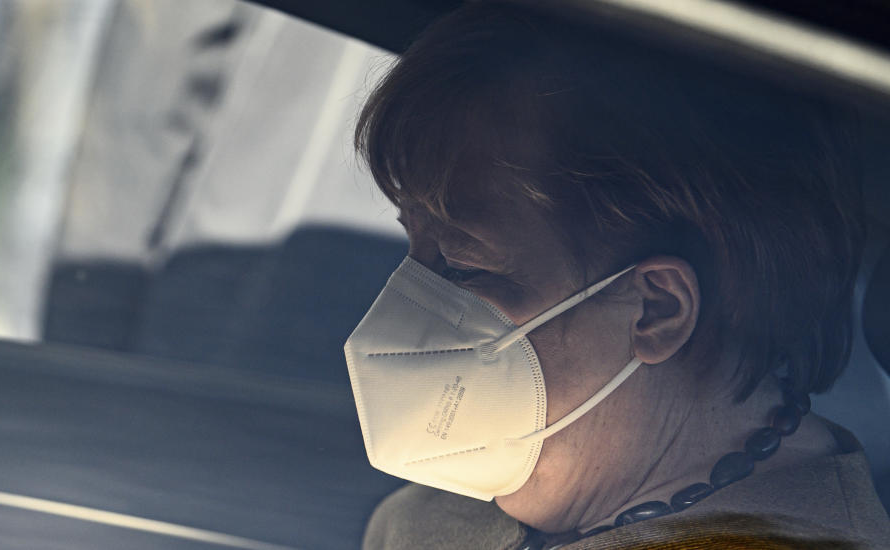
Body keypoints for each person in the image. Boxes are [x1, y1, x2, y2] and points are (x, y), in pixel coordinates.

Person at [343, 2, 890, 548]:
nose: (400, 307)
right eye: (413, 246)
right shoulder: (425, 521)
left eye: (461, 266)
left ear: (657, 310)